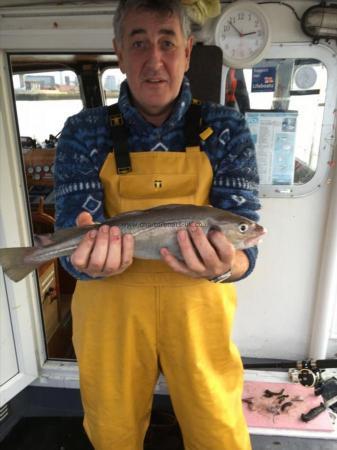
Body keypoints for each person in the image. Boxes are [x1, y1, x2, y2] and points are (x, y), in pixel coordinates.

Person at [54, 1, 261, 449]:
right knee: (112, 431)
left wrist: (227, 266)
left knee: (219, 432)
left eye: (167, 42)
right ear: (119, 52)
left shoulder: (225, 127)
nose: (154, 59)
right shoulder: (83, 131)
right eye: (139, 43)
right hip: (112, 309)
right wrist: (85, 262)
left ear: (187, 51)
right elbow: (74, 243)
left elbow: (248, 252)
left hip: (199, 308)